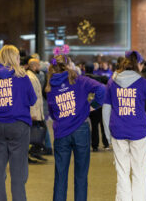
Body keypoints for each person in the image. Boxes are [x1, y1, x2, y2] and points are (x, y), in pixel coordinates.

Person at [102, 51, 146, 201]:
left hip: (117, 131)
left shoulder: (112, 82)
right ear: (138, 64)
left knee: (122, 171)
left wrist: (107, 135)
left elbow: (106, 109)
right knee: (139, 170)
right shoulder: (143, 83)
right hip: (138, 131)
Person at [0, 45, 37, 201]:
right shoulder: (22, 77)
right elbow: (32, 100)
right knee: (18, 172)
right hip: (19, 126)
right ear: (15, 58)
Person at [46, 54, 105, 201]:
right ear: (69, 65)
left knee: (60, 175)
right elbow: (102, 90)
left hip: (61, 132)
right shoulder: (80, 80)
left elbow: (52, 113)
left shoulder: (50, 86)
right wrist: (91, 107)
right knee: (81, 175)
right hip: (81, 129)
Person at [84, 62, 109, 152]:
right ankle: (106, 143)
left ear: (84, 68)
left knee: (94, 126)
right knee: (103, 125)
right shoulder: (98, 78)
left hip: (89, 104)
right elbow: (106, 81)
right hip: (99, 103)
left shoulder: (82, 78)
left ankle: (95, 145)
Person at [26, 58, 48, 163]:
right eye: (38, 65)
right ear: (34, 66)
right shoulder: (30, 78)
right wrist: (32, 113)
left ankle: (34, 152)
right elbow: (29, 96)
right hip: (33, 112)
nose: (40, 67)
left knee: (39, 132)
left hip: (37, 111)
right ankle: (31, 153)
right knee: (35, 133)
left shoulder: (33, 76)